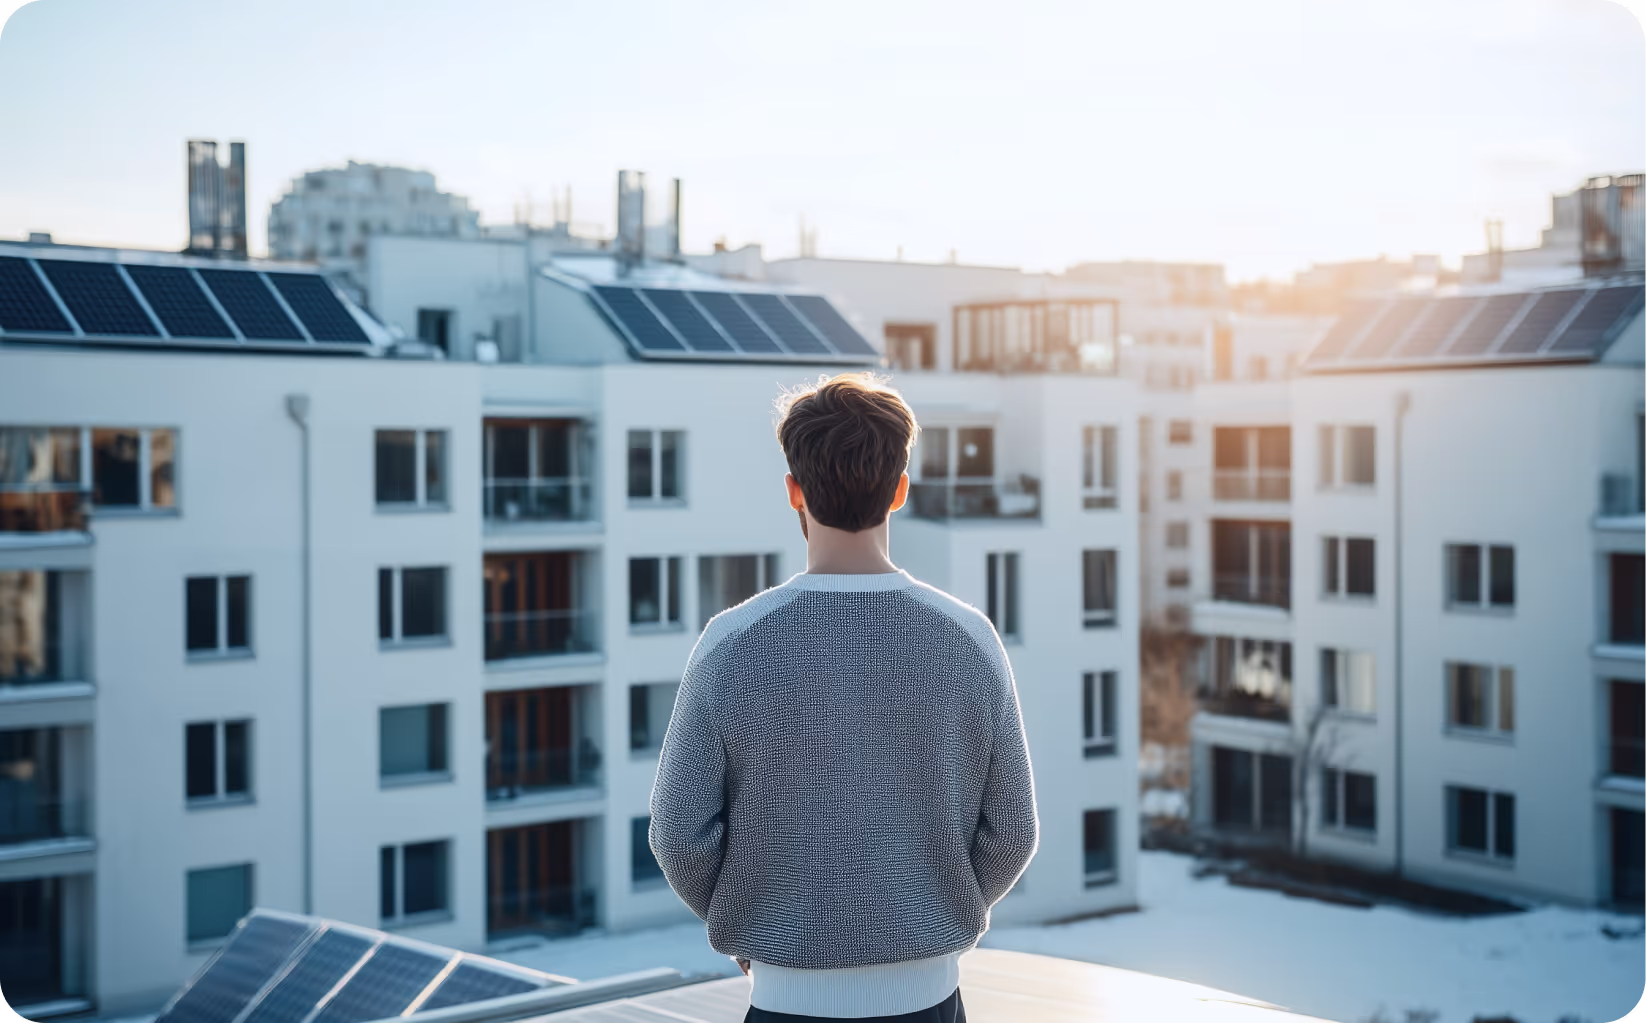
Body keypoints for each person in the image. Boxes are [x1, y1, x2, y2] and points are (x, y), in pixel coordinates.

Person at [649, 372, 1039, 1022]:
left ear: (792, 491)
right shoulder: (971, 638)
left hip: (783, 999)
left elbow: (678, 837)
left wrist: (755, 926)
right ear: (901, 490)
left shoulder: (730, 642)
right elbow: (1013, 832)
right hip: (931, 998)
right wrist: (932, 911)